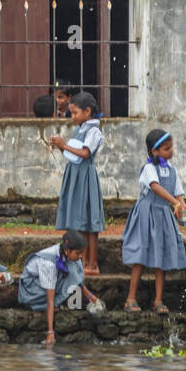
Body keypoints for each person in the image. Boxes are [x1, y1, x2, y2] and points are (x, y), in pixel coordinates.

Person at [121, 129, 186, 313]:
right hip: (146, 214)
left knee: (162, 257)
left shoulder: (172, 170)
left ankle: (158, 301)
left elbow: (178, 193)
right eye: (166, 149)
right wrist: (174, 202)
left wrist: (183, 206)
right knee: (140, 256)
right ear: (154, 151)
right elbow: (155, 187)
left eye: (171, 147)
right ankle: (130, 299)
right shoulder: (149, 168)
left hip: (163, 216)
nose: (171, 151)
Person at [50, 91, 105, 274]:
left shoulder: (94, 131)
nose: (72, 117)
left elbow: (85, 153)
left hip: (85, 177)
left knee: (90, 223)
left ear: (87, 111)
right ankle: (83, 261)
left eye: (75, 113)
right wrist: (60, 147)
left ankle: (93, 263)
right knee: (80, 222)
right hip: (74, 176)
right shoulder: (79, 129)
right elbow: (72, 155)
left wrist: (64, 145)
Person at [18, 229, 99, 346]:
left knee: (73, 267)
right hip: (31, 289)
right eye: (78, 253)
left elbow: (76, 278)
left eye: (82, 252)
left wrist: (92, 297)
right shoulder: (49, 264)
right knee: (67, 275)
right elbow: (50, 301)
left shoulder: (66, 253)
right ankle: (39, 305)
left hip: (45, 283)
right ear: (67, 251)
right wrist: (50, 332)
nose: (81, 256)